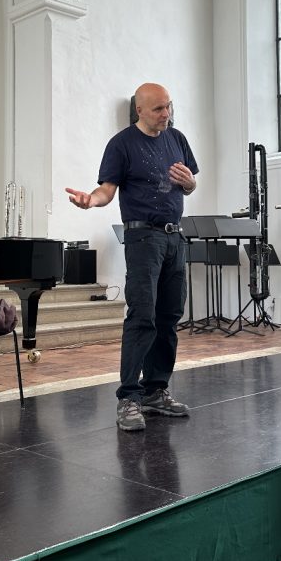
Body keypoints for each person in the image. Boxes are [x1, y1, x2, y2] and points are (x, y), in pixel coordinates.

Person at [65, 83, 198, 431]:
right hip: (143, 238)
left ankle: (156, 390)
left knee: (169, 315)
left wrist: (190, 184)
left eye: (168, 106)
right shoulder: (122, 144)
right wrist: (89, 201)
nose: (166, 114)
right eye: (158, 109)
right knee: (142, 316)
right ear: (139, 110)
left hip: (175, 237)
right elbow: (106, 191)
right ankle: (129, 397)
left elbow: (190, 184)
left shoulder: (177, 139)